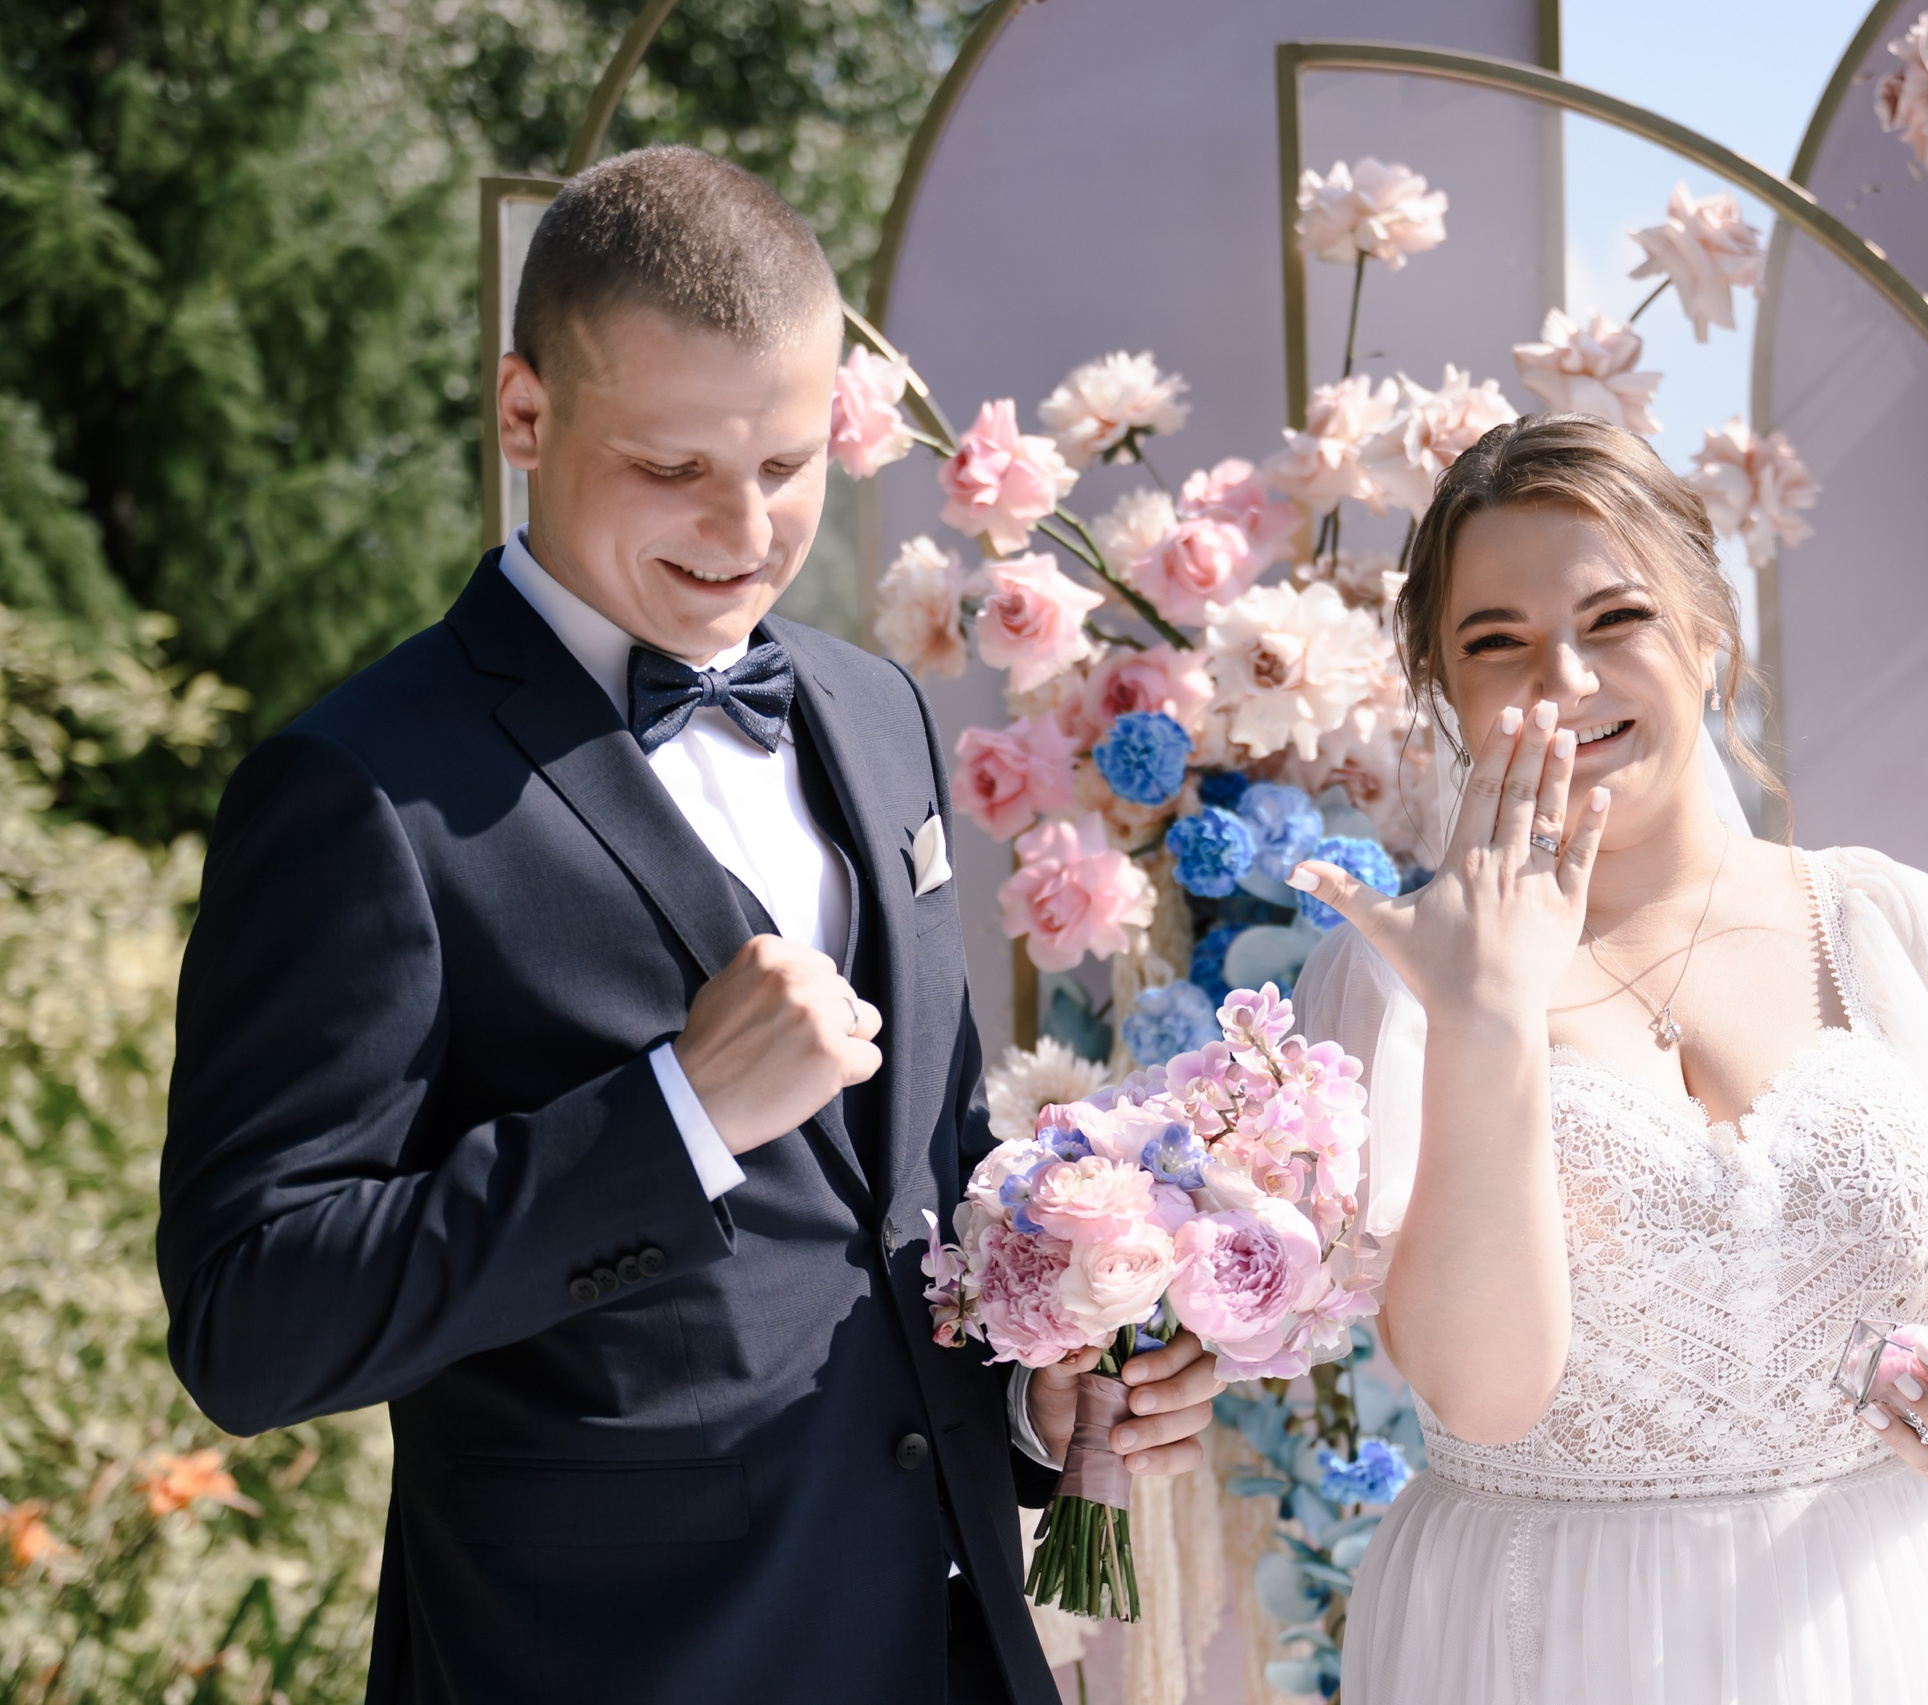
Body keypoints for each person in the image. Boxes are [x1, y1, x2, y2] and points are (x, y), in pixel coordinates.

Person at [156, 145, 1221, 1705]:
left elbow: (898, 1200)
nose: (742, 529)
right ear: (523, 413)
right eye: (674, 469)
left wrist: (1029, 1392)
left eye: (788, 466)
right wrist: (677, 1118)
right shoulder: (358, 789)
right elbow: (252, 1320)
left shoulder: (878, 710)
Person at [1289, 414, 1928, 1704]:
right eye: (1496, 642)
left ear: (1710, 635)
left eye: (1614, 618)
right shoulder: (1387, 985)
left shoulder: (1901, 932)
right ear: (1448, 694)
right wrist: (1485, 1014)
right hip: (1547, 1636)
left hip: (1893, 1618)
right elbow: (1482, 1393)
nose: (1562, 680)